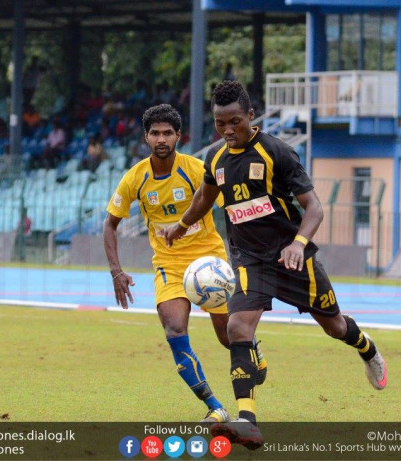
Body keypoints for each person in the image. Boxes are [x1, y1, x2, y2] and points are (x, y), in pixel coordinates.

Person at [164, 81, 386, 449]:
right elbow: (206, 195)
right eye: (220, 124)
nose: (228, 131)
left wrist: (299, 244)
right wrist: (183, 224)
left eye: (234, 122)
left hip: (291, 256)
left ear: (251, 116)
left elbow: (314, 207)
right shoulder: (216, 158)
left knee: (334, 326)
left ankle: (366, 348)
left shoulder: (276, 153)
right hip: (249, 260)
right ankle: (247, 420)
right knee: (237, 328)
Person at [103, 104, 267, 424]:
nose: (161, 138)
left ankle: (253, 349)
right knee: (174, 328)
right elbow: (110, 224)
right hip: (169, 265)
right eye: (155, 133)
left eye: (167, 133)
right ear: (146, 137)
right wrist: (116, 272)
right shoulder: (135, 178)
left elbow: (232, 205)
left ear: (178, 136)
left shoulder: (194, 169)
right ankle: (215, 406)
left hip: (209, 261)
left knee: (226, 336)